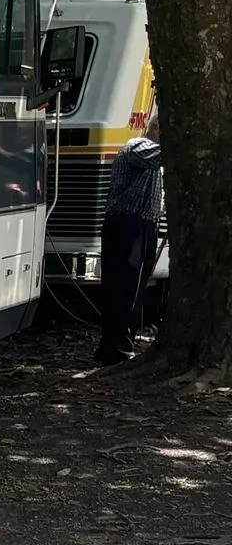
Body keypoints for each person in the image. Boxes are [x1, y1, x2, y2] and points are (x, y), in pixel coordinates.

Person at [98, 100, 162, 364]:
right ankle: (118, 347)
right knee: (125, 287)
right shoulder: (138, 146)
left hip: (142, 225)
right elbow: (159, 156)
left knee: (133, 288)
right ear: (156, 128)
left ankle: (116, 345)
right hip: (127, 225)